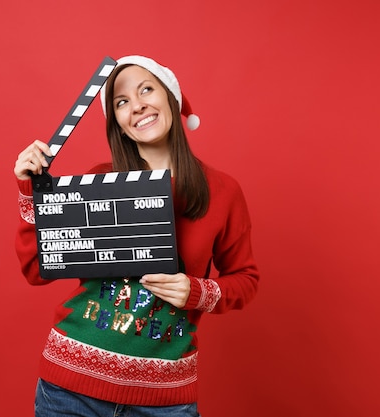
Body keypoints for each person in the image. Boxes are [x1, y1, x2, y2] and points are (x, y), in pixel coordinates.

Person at [13, 55, 259, 417]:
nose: (137, 104)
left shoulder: (222, 191)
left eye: (147, 89)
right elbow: (36, 268)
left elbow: (246, 280)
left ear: (171, 99)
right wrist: (29, 191)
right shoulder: (98, 181)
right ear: (119, 125)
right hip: (70, 389)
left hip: (164, 400)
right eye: (122, 101)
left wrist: (198, 292)